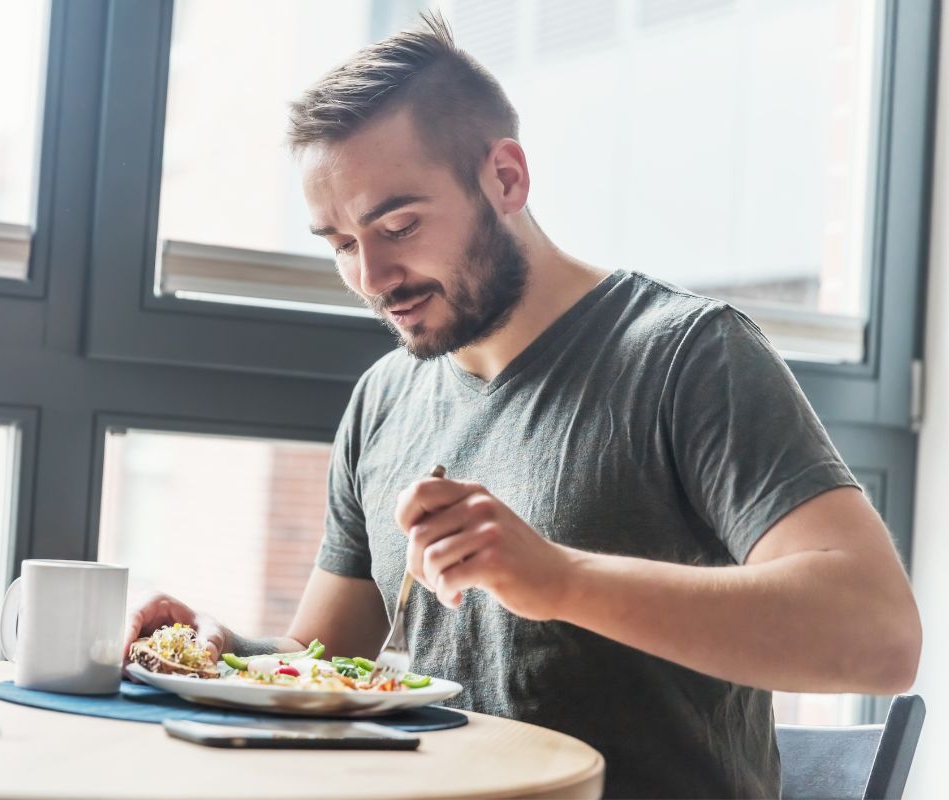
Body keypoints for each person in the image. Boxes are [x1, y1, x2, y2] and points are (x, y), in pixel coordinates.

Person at [124, 13, 921, 797]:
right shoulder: (384, 399)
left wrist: (561, 580)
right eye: (339, 244)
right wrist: (224, 655)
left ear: (505, 178)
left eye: (397, 224)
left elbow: (878, 637)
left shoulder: (689, 355)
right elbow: (325, 662)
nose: (371, 277)